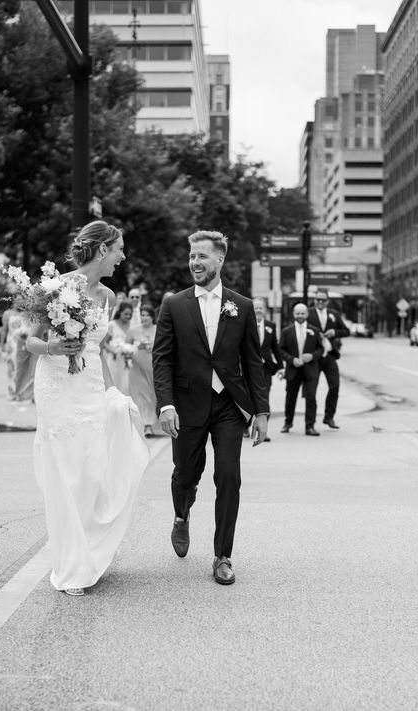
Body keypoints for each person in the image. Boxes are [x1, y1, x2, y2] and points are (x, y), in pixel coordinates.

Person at [26, 220, 149, 597]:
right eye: (119, 249)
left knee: (93, 471)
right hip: (57, 386)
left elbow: (96, 352)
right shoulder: (54, 287)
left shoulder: (109, 296)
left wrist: (113, 394)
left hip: (92, 385)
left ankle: (89, 549)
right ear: (101, 250)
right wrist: (53, 348)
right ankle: (71, 562)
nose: (122, 256)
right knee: (66, 473)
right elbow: (29, 340)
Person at [152, 230, 269, 586]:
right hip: (186, 405)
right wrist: (166, 404)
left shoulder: (242, 306)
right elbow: (162, 359)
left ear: (220, 259)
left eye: (202, 256)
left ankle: (223, 556)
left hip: (229, 406)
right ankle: (181, 515)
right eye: (192, 256)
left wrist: (261, 412)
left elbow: (253, 362)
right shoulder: (173, 304)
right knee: (185, 475)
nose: (195, 263)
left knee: (229, 477)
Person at [307, 288, 350, 429]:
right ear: (314, 300)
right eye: (317, 299)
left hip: (330, 356)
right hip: (315, 356)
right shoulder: (308, 313)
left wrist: (334, 332)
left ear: (327, 301)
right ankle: (310, 423)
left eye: (323, 300)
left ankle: (329, 417)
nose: (320, 302)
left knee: (335, 386)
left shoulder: (334, 314)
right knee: (312, 390)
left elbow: (346, 331)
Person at [279, 303, 323, 436]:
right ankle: (288, 423)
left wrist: (312, 356)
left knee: (311, 398)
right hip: (293, 370)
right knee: (290, 398)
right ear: (293, 314)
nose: (300, 316)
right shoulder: (286, 331)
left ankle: (310, 426)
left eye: (302, 313)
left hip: (310, 370)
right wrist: (291, 360)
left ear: (307, 314)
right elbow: (281, 349)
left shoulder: (314, 330)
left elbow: (321, 349)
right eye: (298, 313)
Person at [244, 298, 284, 441]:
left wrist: (281, 367)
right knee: (247, 397)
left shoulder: (271, 326)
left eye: (261, 307)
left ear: (265, 310)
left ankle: (263, 431)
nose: (258, 310)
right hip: (247, 367)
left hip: (265, 369)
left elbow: (275, 348)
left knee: (264, 398)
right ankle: (245, 427)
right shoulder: (245, 324)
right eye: (256, 307)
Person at [128, 303, 158, 438]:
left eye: (147, 315)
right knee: (142, 395)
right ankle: (147, 425)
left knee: (153, 395)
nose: (144, 317)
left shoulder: (159, 329)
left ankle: (154, 420)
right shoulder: (133, 330)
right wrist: (136, 347)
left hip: (155, 367)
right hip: (137, 368)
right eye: (142, 315)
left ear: (152, 317)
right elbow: (124, 347)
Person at [0, 307, 37, 401]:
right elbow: (4, 329)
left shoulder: (27, 314)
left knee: (26, 368)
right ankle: (14, 390)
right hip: (12, 343)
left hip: (23, 343)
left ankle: (25, 392)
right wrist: (2, 343)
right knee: (13, 368)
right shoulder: (8, 313)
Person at [103, 299, 133, 395]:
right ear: (120, 312)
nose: (128, 316)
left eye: (130, 314)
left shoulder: (133, 326)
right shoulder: (112, 325)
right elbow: (103, 343)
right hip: (114, 360)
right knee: (115, 383)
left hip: (128, 361)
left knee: (126, 385)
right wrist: (112, 350)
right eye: (126, 314)